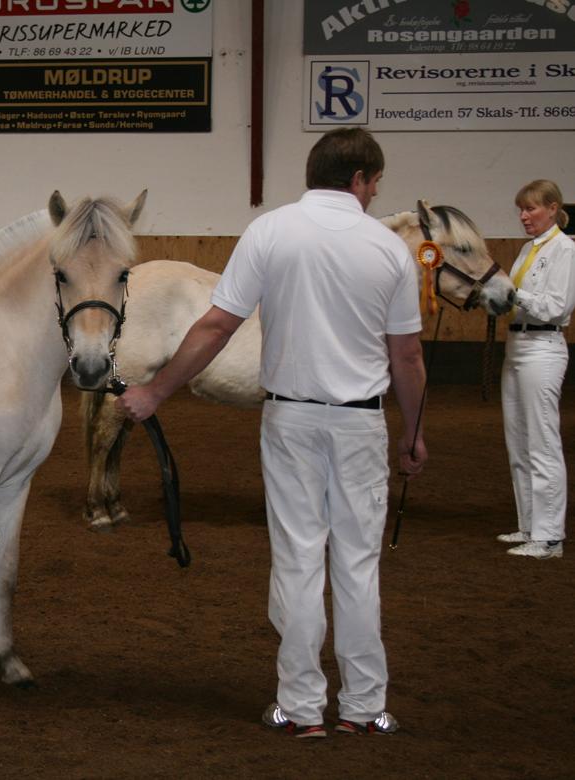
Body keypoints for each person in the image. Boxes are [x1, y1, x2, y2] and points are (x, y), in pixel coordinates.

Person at [117, 127, 427, 739]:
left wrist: (156, 391)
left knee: (298, 558)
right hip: (361, 419)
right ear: (362, 179)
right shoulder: (388, 249)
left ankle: (301, 708)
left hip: (290, 417)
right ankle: (364, 708)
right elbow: (408, 357)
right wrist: (412, 433)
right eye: (374, 184)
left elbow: (214, 328)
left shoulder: (269, 232)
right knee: (358, 564)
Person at [496, 179, 575, 559]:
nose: (524, 216)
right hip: (516, 344)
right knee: (519, 439)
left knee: (542, 442)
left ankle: (550, 536)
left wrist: (511, 293)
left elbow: (556, 307)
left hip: (543, 346)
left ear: (552, 207)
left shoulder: (565, 249)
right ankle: (529, 524)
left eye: (531, 209)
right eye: (521, 210)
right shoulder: (528, 249)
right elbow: (516, 302)